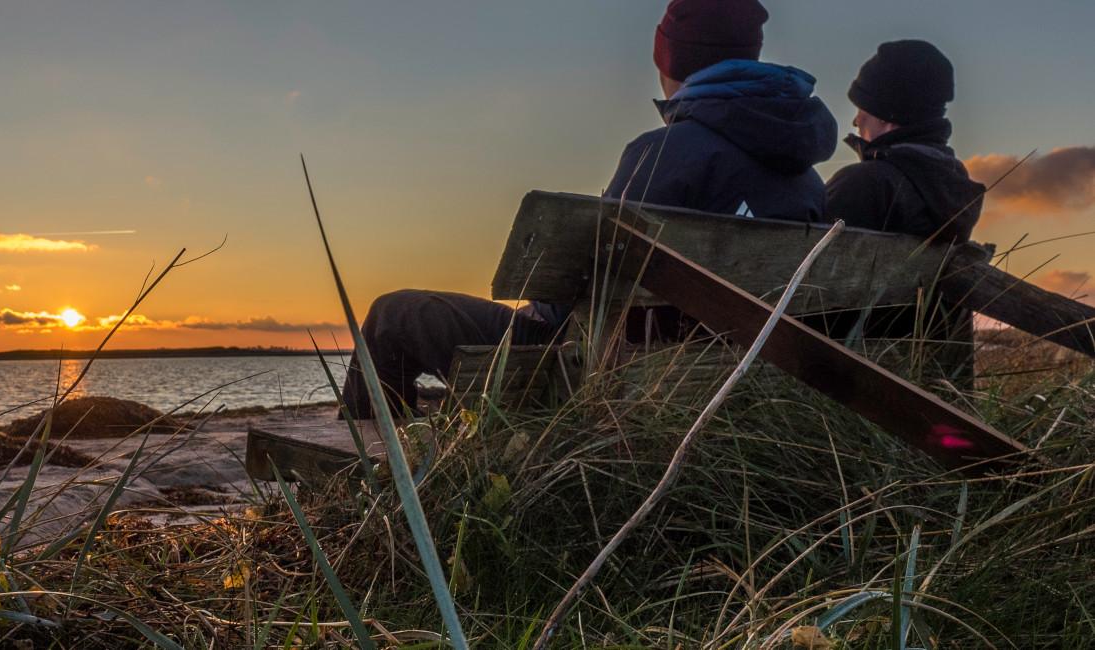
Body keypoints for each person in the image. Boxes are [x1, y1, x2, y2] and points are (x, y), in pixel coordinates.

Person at [339, 0, 839, 419]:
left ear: (669, 60)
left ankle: (371, 480)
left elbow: (575, 298)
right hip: (733, 385)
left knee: (392, 314)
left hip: (599, 370)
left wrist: (542, 306)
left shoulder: (667, 151)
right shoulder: (808, 179)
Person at [824, 40, 985, 242]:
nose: (856, 121)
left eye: (861, 108)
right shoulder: (954, 185)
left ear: (884, 113)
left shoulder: (863, 183)